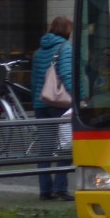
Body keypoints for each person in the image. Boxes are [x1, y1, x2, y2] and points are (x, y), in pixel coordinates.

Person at [31, 16, 75, 202]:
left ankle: (45, 190)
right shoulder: (65, 48)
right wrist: (77, 97)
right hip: (61, 104)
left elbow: (35, 80)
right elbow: (66, 74)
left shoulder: (39, 51)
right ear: (67, 31)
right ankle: (60, 187)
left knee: (46, 148)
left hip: (41, 103)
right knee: (66, 146)